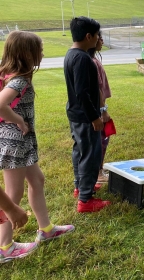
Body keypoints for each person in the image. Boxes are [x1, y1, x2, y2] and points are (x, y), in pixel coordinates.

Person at [0, 31, 74, 264]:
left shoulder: (8, 73)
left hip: (22, 142)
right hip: (15, 141)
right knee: (13, 194)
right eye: (39, 50)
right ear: (27, 53)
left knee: (37, 180)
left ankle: (47, 229)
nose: (42, 54)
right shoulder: (19, 80)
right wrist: (18, 120)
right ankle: (4, 247)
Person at [64, 17, 111, 213]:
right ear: (88, 36)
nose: (99, 39)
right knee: (91, 154)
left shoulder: (71, 54)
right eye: (97, 35)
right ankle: (85, 199)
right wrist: (95, 117)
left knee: (80, 150)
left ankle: (80, 187)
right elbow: (83, 92)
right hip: (85, 116)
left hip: (75, 113)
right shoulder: (83, 59)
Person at [87, 31, 111, 184]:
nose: (101, 40)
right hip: (97, 110)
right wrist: (103, 111)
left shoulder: (93, 59)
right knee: (100, 142)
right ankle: (97, 173)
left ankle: (98, 170)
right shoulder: (92, 62)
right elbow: (97, 89)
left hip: (97, 108)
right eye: (99, 37)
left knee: (101, 141)